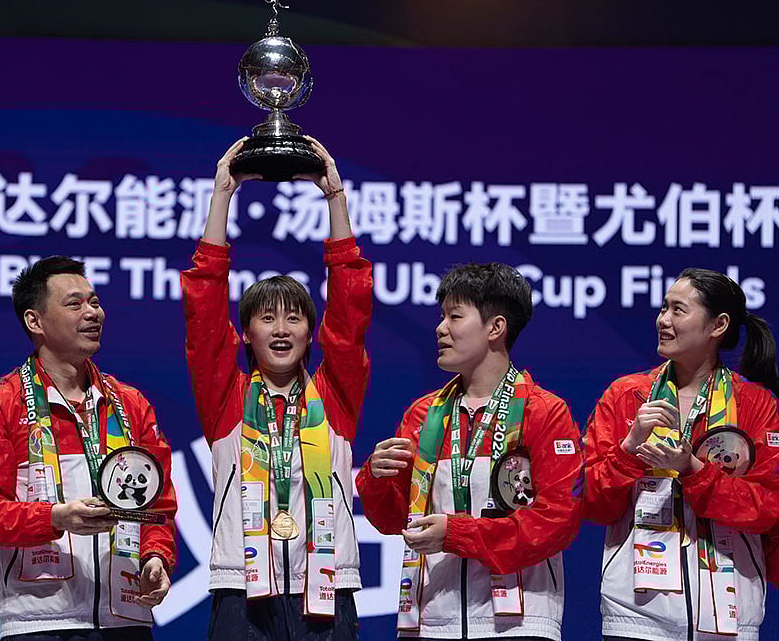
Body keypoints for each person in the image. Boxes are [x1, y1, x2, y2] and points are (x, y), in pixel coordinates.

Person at [181, 137, 372, 640]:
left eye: (294, 318)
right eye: (267, 318)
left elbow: (350, 315)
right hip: (241, 593)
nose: (282, 329)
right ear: (246, 332)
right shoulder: (226, 399)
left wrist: (335, 199)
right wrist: (222, 195)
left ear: (312, 332)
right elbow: (202, 310)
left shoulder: (334, 396)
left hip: (325, 592)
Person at [356, 262, 582, 641]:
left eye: (455, 316)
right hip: (432, 621)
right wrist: (377, 478)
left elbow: (558, 521)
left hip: (520, 623)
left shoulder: (544, 412)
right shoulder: (424, 415)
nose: (440, 328)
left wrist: (458, 534)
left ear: (496, 328)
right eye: (441, 316)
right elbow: (394, 521)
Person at [0, 256, 177, 641]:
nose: (93, 312)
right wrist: (55, 518)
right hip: (38, 622)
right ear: (34, 321)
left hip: (126, 619)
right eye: (75, 304)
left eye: (94, 302)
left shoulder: (131, 404)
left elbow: (157, 506)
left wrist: (155, 556)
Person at [584, 268, 779, 641]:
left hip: (730, 617)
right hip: (635, 617)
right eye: (662, 309)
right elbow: (590, 504)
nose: (663, 320)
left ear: (718, 325)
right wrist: (628, 450)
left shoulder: (755, 404)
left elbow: (768, 509)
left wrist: (693, 470)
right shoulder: (627, 396)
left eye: (678, 310)